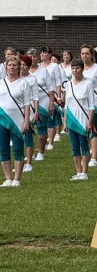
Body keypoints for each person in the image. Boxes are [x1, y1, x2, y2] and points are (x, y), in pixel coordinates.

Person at [64, 58, 97, 181]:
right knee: (74, 146)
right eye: (73, 68)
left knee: (83, 145)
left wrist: (90, 120)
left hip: (83, 118)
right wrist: (65, 121)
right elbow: (66, 104)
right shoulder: (68, 84)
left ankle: (84, 172)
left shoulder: (88, 83)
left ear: (82, 69)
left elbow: (91, 104)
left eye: (77, 68)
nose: (75, 70)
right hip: (71, 118)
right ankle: (78, 171)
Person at [0, 56, 30, 187]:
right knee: (3, 149)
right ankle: (8, 178)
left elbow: (27, 104)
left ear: (19, 67)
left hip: (18, 120)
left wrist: (26, 121)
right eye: (9, 65)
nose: (12, 67)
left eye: (14, 65)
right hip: (2, 120)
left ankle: (17, 179)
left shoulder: (24, 83)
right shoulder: (1, 82)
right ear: (6, 67)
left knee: (18, 149)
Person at [27, 48, 56, 161]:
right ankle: (30, 152)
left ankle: (40, 152)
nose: (32, 58)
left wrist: (52, 103)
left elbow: (50, 88)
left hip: (42, 102)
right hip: (28, 103)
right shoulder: (24, 71)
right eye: (30, 56)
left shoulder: (43, 70)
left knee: (41, 127)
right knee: (28, 128)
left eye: (34, 56)